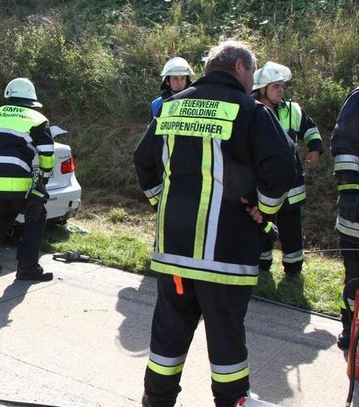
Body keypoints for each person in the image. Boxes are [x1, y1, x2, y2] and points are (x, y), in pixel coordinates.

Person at [134, 40, 296, 407]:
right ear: (239, 67)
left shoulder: (170, 107)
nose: (252, 80)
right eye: (252, 72)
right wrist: (265, 209)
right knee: (226, 345)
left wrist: (161, 202)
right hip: (226, 258)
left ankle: (155, 402)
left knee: (167, 339)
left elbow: (143, 161)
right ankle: (231, 402)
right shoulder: (252, 110)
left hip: (174, 254)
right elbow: (282, 166)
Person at [0, 77, 55, 282]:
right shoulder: (37, 118)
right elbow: (47, 153)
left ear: (9, 96)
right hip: (15, 177)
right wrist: (42, 182)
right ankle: (28, 267)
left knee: (7, 211)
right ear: (31, 99)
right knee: (37, 214)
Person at [251, 61, 323, 279]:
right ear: (262, 89)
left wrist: (315, 148)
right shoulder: (252, 111)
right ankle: (261, 265)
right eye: (276, 86)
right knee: (262, 227)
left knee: (291, 231)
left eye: (282, 86)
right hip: (263, 186)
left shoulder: (293, 110)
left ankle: (293, 270)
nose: (281, 90)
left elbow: (309, 128)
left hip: (291, 188)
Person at [330, 87, 359, 350]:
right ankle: (352, 327)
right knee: (356, 276)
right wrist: (350, 192)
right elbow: (345, 147)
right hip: (356, 212)